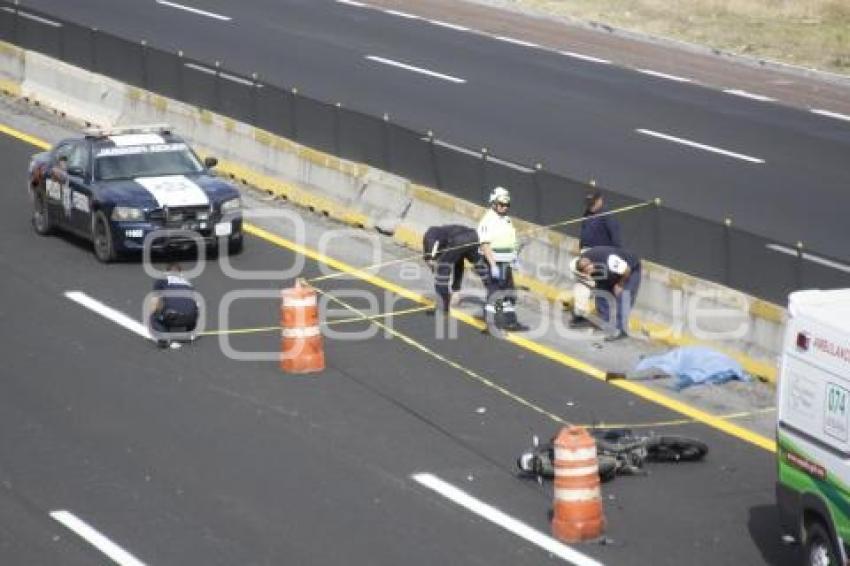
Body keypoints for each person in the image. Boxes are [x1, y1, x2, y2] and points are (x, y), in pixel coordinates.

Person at [477, 186, 528, 332]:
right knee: (495, 295)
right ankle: (492, 324)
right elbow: (485, 244)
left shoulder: (506, 219)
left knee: (509, 293)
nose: (504, 207)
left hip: (506, 263)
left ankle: (510, 322)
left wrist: (514, 258)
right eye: (501, 204)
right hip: (495, 263)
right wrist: (492, 265)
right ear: (493, 203)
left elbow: (509, 241)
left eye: (507, 205)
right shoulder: (488, 220)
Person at [572, 191, 623, 328]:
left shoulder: (607, 217)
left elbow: (616, 239)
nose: (590, 206)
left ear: (600, 200)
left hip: (602, 256)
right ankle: (579, 314)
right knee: (583, 284)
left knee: (601, 286)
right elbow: (583, 233)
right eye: (589, 203)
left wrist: (615, 258)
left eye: (593, 203)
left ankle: (604, 318)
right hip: (587, 255)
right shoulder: (587, 213)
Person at [571, 246, 641, 341]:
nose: (588, 273)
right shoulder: (583, 259)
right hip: (610, 271)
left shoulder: (610, 260)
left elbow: (626, 270)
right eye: (586, 272)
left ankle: (621, 330)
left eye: (589, 270)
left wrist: (619, 285)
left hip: (630, 269)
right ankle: (606, 322)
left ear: (591, 263)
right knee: (601, 292)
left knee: (624, 296)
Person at [422, 224, 489, 313]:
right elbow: (459, 265)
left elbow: (429, 239)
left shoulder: (432, 232)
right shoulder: (447, 239)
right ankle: (495, 293)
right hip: (474, 237)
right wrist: (456, 290)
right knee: (480, 266)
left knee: (442, 272)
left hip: (460, 240)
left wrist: (429, 258)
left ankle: (443, 306)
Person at [149, 263, 199, 348]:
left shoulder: (163, 279)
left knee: (153, 317)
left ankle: (163, 336)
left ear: (167, 272)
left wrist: (154, 315)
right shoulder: (187, 282)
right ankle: (189, 332)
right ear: (180, 273)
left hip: (173, 316)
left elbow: (155, 301)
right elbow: (196, 304)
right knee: (193, 307)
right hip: (191, 318)